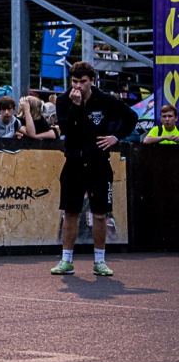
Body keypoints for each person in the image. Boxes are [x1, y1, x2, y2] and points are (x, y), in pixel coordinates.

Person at [51, 61, 137, 278]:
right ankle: (66, 260)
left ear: (92, 80)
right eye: (74, 81)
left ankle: (100, 261)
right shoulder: (64, 100)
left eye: (82, 82)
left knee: (100, 214)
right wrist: (76, 106)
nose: (78, 86)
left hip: (98, 163)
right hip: (73, 162)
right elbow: (66, 128)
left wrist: (116, 137)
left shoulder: (105, 100)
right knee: (70, 212)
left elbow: (131, 117)